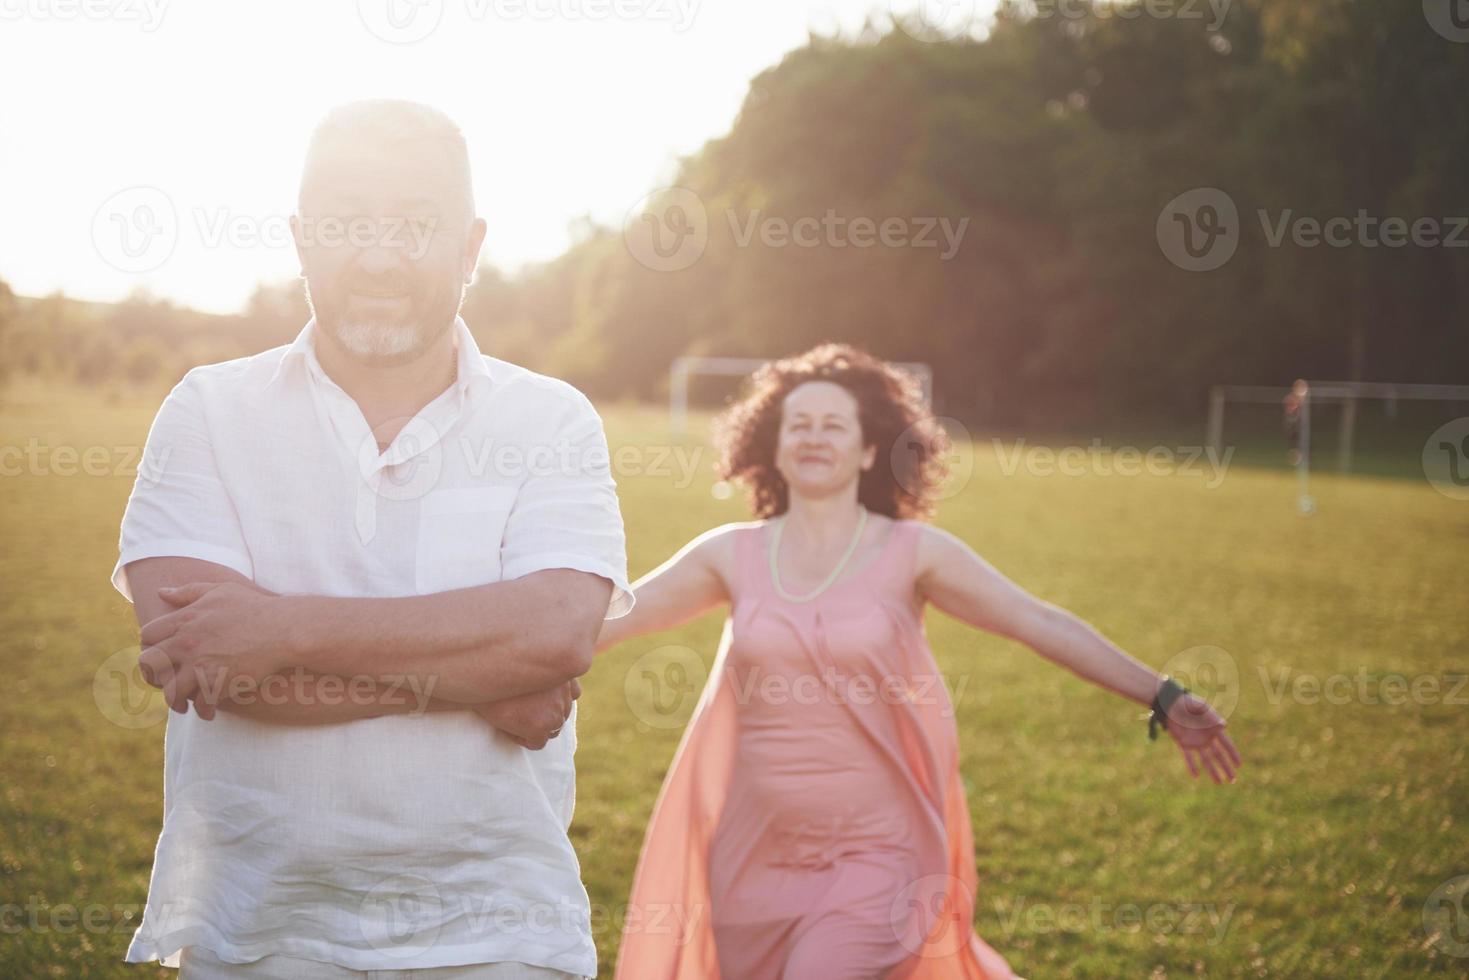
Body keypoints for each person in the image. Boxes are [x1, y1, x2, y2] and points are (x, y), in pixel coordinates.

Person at [111, 99, 632, 979]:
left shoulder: (551, 418)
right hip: (257, 930)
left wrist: (282, 630)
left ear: (469, 249)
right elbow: (213, 666)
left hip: (501, 930)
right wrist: (476, 678)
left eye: (416, 224)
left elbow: (554, 634)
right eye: (349, 222)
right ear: (301, 238)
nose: (380, 255)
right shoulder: (208, 408)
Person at [597, 343, 1242, 979]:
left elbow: (1035, 620)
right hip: (751, 857)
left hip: (877, 852)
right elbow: (609, 624)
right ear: (773, 445)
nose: (814, 437)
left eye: (833, 425)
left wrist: (1159, 692)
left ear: (871, 448)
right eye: (798, 424)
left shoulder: (914, 553)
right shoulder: (728, 554)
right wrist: (505, 654)